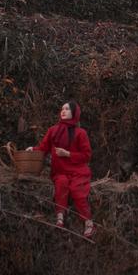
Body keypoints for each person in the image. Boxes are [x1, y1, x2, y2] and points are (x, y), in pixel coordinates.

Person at [29, 100, 94, 238]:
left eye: (67, 109)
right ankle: (60, 216)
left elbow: (87, 156)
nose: (63, 111)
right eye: (62, 109)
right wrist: (33, 149)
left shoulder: (80, 133)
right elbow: (43, 148)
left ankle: (88, 222)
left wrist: (68, 154)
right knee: (61, 184)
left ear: (74, 113)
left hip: (78, 171)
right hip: (60, 171)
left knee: (77, 191)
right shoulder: (53, 130)